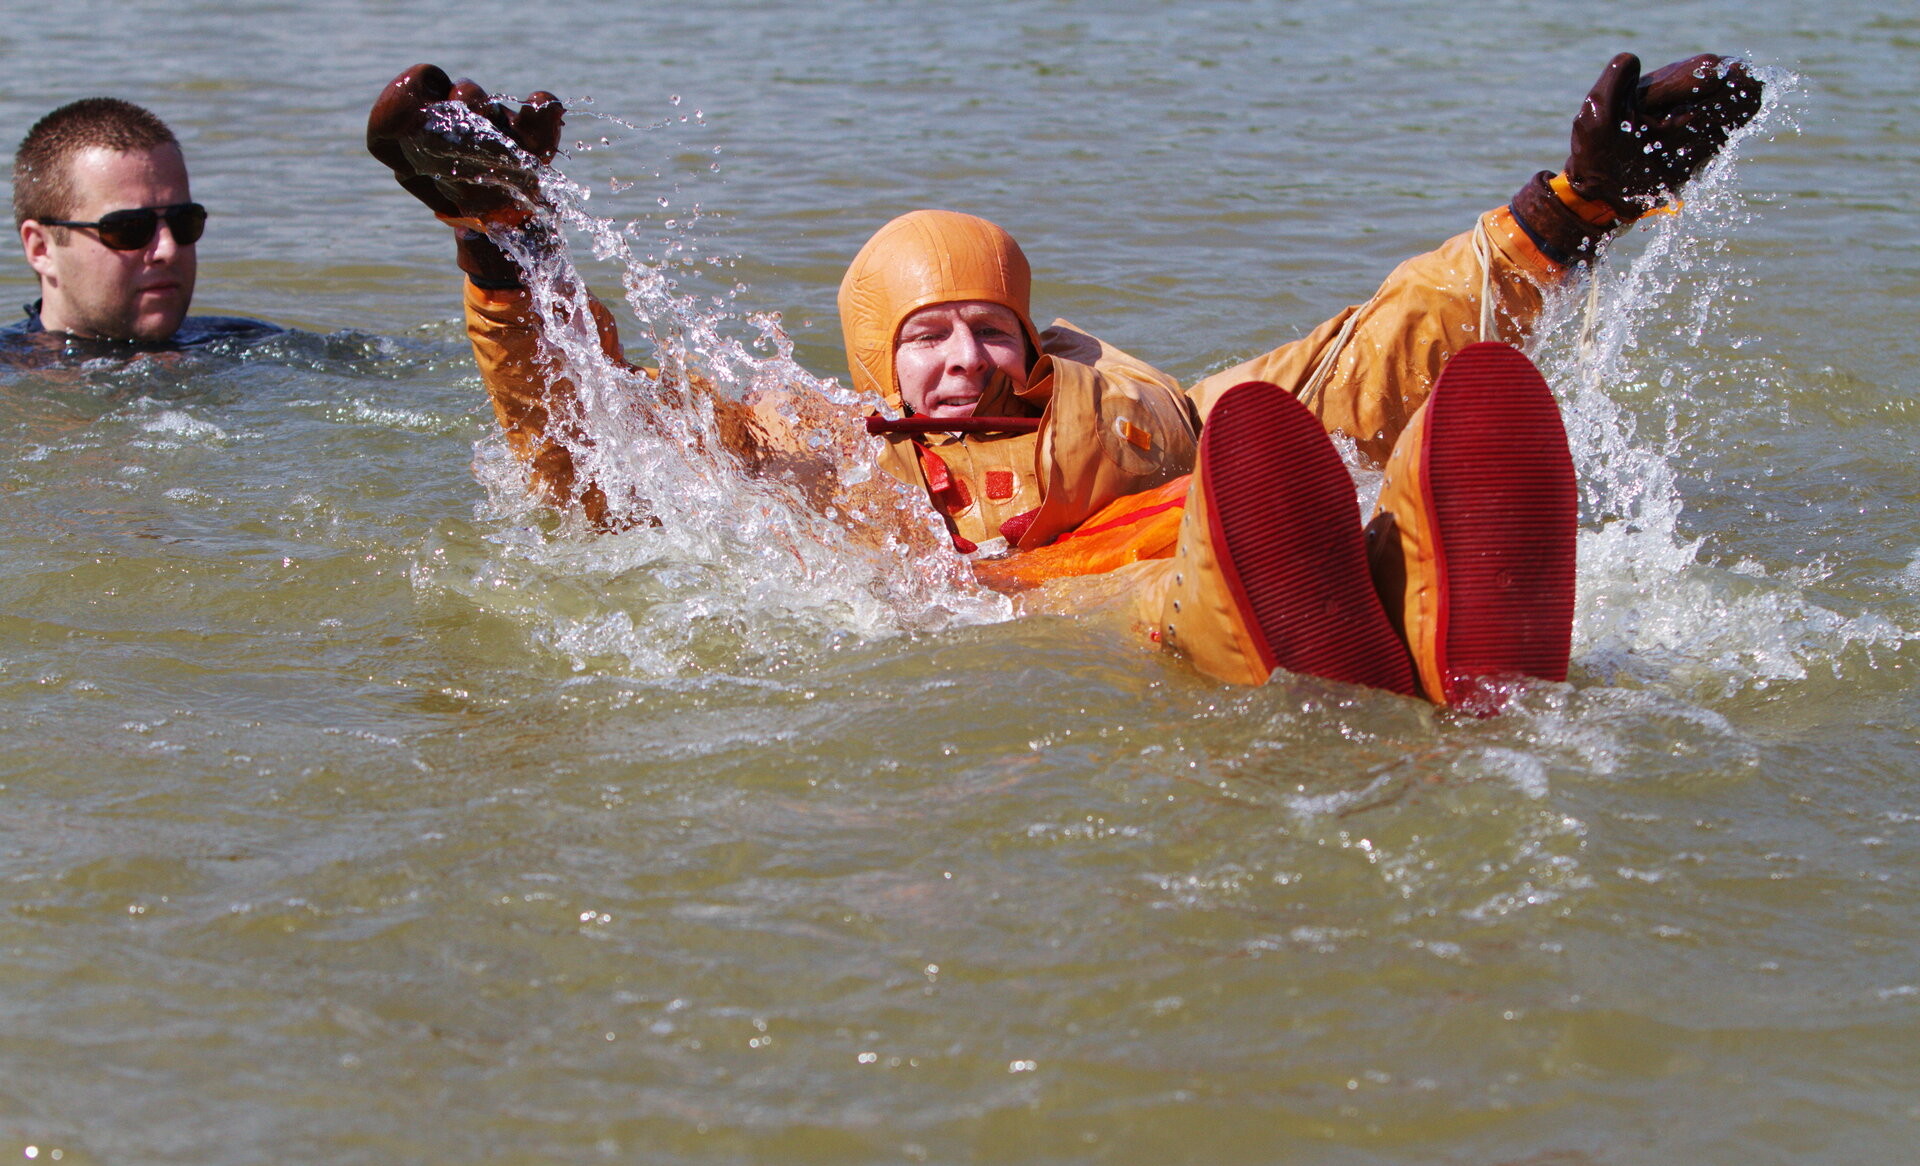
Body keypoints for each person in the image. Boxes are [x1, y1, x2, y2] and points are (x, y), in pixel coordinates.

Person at [366, 55, 1759, 708]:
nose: (964, 354)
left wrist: (1566, 210)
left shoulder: (1152, 423)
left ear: (1031, 341)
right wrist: (513, 259)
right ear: (875, 359)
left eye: (987, 329)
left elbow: (1372, 348)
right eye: (927, 336)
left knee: (1301, 443)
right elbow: (589, 439)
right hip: (1107, 614)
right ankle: (1329, 603)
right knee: (1181, 582)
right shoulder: (801, 453)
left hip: (1179, 534)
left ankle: (1425, 588)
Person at [6, 97, 277, 358]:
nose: (168, 249)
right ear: (41, 248)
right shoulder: (12, 375)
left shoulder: (256, 350)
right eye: (129, 228)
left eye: (184, 222)